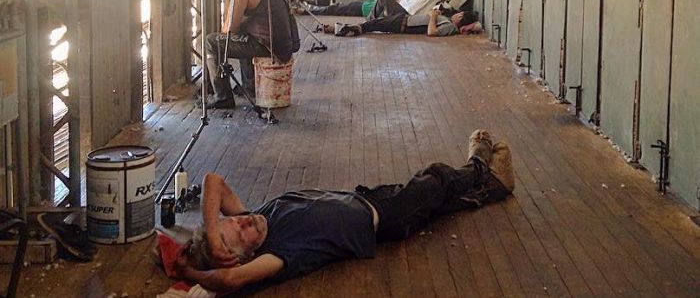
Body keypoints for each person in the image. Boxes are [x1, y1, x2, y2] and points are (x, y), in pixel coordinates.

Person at [171, 130, 515, 293]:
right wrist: (194, 274)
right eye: (240, 234)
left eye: (234, 221)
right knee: (436, 178)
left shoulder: (259, 217)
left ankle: (493, 188)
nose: (244, 221)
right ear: (246, 257)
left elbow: (214, 181)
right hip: (388, 218)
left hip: (372, 198)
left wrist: (214, 231)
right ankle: (479, 164)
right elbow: (229, 279)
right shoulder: (278, 254)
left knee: (442, 205)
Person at [204, 0, 297, 109]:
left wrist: (227, 21)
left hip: (269, 44)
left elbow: (229, 29)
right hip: (284, 41)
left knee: (212, 42)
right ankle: (250, 86)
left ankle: (222, 97)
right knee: (242, 33)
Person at [327, 0, 478, 37]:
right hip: (404, 17)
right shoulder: (447, 19)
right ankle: (341, 28)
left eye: (460, 15)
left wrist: (432, 16)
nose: (457, 14)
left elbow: (432, 32)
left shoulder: (450, 27)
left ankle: (339, 29)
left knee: (369, 27)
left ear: (461, 20)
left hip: (403, 23)